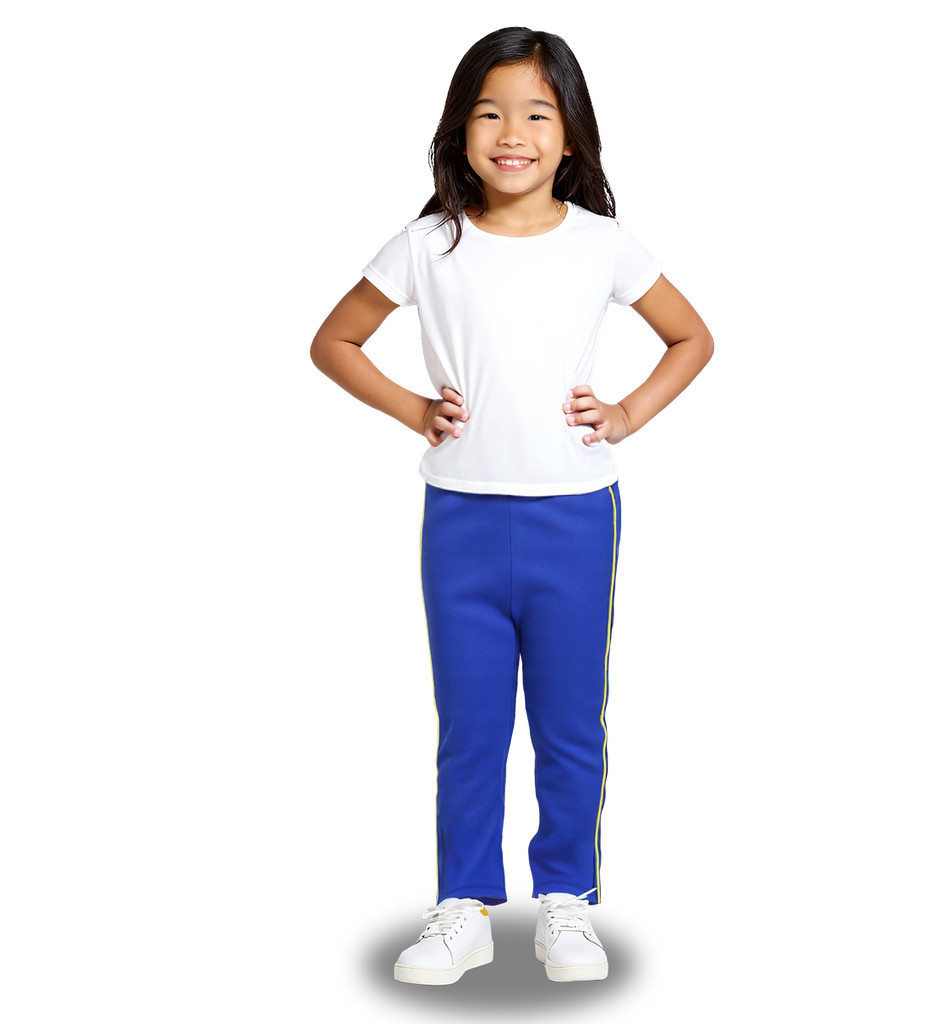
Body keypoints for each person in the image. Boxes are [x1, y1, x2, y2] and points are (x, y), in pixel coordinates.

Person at [310, 26, 713, 986]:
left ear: (571, 136)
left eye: (538, 113)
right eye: (489, 113)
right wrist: (413, 408)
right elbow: (334, 342)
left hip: (574, 515)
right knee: (472, 724)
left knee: (570, 722)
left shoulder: (602, 244)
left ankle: (566, 899)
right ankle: (465, 905)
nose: (513, 133)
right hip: (462, 517)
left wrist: (625, 414)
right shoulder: (428, 244)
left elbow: (691, 338)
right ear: (461, 129)